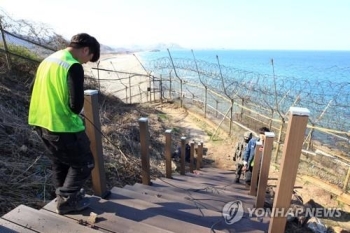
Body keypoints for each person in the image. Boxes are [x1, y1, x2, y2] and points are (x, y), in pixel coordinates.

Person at [28, 33, 100, 215]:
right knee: (84, 163)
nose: (85, 63)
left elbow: (34, 88)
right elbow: (75, 105)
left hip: (41, 121)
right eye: (88, 59)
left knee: (60, 162)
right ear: (85, 50)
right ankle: (67, 200)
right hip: (62, 125)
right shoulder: (73, 66)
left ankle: (60, 197)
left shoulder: (48, 60)